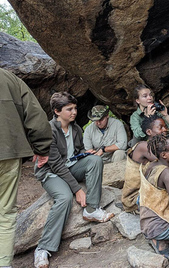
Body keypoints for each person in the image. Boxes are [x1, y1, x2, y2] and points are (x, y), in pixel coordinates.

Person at [34, 92, 114, 268]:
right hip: (51, 173)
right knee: (64, 198)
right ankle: (43, 249)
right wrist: (77, 189)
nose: (74, 112)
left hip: (69, 166)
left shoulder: (76, 129)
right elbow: (55, 164)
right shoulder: (49, 131)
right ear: (56, 111)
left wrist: (86, 154)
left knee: (95, 160)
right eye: (69, 109)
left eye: (75, 108)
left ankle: (91, 210)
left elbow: (75, 154)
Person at [0, 68, 52, 268]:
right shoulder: (9, 79)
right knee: (5, 213)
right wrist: (42, 147)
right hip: (8, 153)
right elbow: (36, 116)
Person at [122, 116, 169, 213]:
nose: (165, 129)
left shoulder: (161, 148)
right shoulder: (143, 146)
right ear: (149, 132)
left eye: (165, 126)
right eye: (160, 127)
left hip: (147, 192)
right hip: (136, 197)